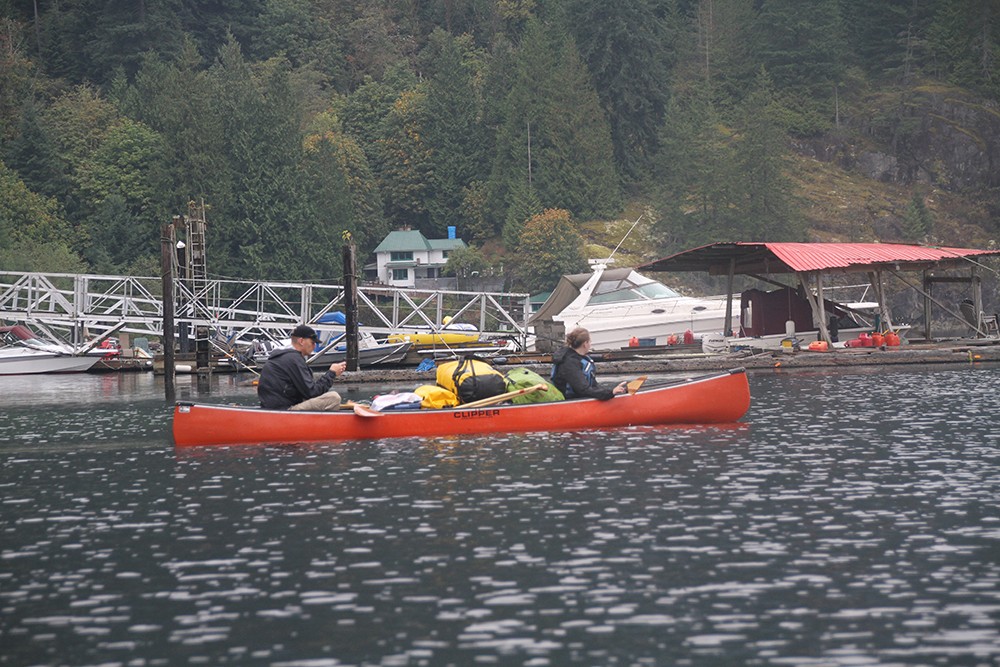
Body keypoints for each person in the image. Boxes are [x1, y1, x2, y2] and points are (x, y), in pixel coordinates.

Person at [257, 324, 347, 411]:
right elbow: (312, 393)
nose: (314, 346)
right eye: (312, 342)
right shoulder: (294, 359)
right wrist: (331, 373)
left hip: (272, 407)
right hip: (285, 410)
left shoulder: (283, 357)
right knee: (334, 398)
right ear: (301, 341)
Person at [550, 327, 627, 400]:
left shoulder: (581, 358)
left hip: (581, 397)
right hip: (571, 401)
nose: (590, 344)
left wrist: (611, 392)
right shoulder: (569, 363)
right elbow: (583, 389)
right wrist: (611, 392)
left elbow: (593, 386)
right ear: (585, 343)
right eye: (589, 341)